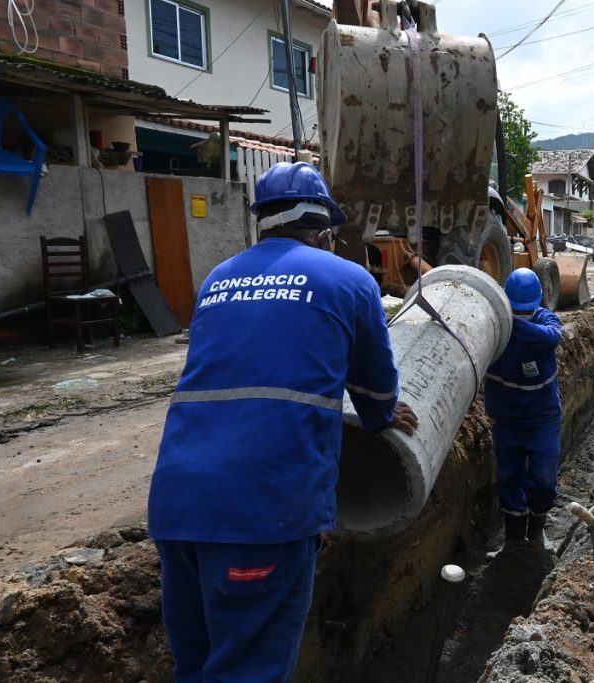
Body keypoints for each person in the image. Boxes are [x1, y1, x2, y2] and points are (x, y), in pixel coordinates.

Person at [147, 161, 418, 682]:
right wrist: (382, 415)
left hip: (177, 505)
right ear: (323, 232)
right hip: (263, 508)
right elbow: (377, 386)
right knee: (248, 670)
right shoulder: (349, 280)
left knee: (197, 666)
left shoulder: (218, 279)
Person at [483, 268, 563, 557]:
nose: (522, 314)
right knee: (509, 479)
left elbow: (552, 337)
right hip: (506, 421)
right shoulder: (490, 327)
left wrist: (509, 323)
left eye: (525, 311)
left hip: (542, 420)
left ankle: (537, 534)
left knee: (543, 480)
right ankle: (513, 542)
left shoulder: (544, 320)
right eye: (515, 311)